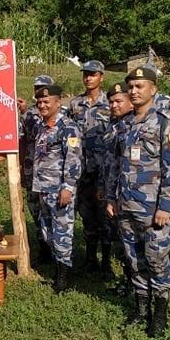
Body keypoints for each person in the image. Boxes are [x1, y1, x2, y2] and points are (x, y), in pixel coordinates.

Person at [107, 65, 170, 338]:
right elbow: (116, 164)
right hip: (126, 205)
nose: (134, 91)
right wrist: (111, 197)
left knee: (157, 258)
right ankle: (141, 309)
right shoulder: (126, 123)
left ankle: (160, 312)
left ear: (153, 89)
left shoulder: (165, 122)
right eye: (131, 86)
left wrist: (166, 205)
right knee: (133, 259)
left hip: (153, 209)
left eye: (140, 86)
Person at [31, 84, 82, 292]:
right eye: (40, 102)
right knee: (47, 231)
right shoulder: (42, 127)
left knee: (62, 232)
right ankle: (57, 268)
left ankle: (64, 278)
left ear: (58, 102)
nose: (42, 105)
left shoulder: (68, 128)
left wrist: (68, 187)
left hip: (59, 190)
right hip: (43, 188)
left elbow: (74, 159)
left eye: (46, 101)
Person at [68, 60, 110, 273]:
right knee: (87, 215)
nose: (88, 78)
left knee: (105, 217)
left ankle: (107, 262)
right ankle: (91, 259)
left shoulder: (110, 104)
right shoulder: (75, 104)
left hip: (104, 171)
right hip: (83, 171)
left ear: (101, 77)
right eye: (85, 74)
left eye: (92, 74)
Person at [99, 82, 133, 291]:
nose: (114, 105)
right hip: (112, 192)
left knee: (131, 243)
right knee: (120, 240)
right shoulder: (113, 125)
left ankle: (136, 285)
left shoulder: (134, 125)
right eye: (111, 102)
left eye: (119, 101)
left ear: (130, 101)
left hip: (130, 194)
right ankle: (128, 281)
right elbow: (108, 160)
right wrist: (104, 187)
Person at [20, 75, 55, 265]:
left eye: (44, 88)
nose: (40, 91)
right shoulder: (30, 114)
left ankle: (59, 252)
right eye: (37, 88)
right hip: (32, 171)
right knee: (36, 210)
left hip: (52, 175)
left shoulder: (62, 114)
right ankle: (43, 248)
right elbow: (23, 140)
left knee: (53, 212)